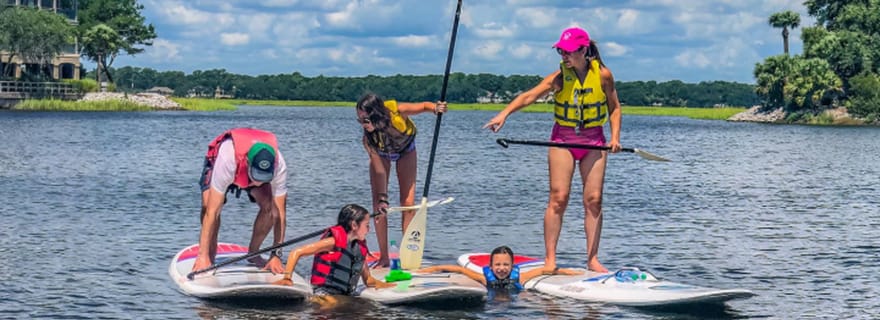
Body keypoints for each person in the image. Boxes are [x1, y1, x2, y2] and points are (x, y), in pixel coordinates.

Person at [482, 27, 622, 273]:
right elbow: (529, 96)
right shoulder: (558, 77)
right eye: (560, 51)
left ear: (583, 50)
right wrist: (504, 114)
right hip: (563, 140)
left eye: (567, 51)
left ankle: (592, 259)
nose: (563, 56)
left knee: (594, 200)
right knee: (559, 198)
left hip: (594, 141)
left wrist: (615, 138)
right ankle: (550, 260)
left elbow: (614, 107)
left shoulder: (603, 75)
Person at [356, 93, 447, 268]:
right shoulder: (368, 140)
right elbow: (380, 171)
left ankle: (408, 253)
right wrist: (383, 198)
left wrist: (436, 108)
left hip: (406, 150)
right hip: (382, 154)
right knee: (379, 206)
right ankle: (383, 257)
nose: (363, 125)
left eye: (366, 120)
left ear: (377, 114)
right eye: (360, 121)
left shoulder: (396, 110)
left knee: (408, 203)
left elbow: (422, 106)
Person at [192, 128, 288, 274]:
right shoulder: (226, 159)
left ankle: (253, 253)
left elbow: (280, 214)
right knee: (208, 205)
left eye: (263, 177)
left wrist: (276, 255)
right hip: (223, 165)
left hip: (247, 169)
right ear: (248, 162)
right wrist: (202, 256)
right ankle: (208, 254)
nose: (257, 183)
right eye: (257, 176)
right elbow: (213, 211)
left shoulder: (279, 166)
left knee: (270, 208)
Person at [275, 204, 395, 306]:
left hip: (343, 296)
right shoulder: (332, 242)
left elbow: (368, 280)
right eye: (367, 225)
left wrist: (387, 286)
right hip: (323, 293)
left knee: (360, 307)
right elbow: (296, 252)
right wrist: (287, 278)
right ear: (354, 225)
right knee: (336, 304)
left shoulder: (358, 248)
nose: (369, 229)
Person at [416, 246, 582, 299]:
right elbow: (459, 269)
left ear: (512, 266)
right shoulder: (484, 278)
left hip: (519, 302)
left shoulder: (520, 277)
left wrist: (571, 272)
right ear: (491, 266)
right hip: (492, 304)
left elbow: (546, 270)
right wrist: (434, 269)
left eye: (505, 264)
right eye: (498, 265)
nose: (501, 268)